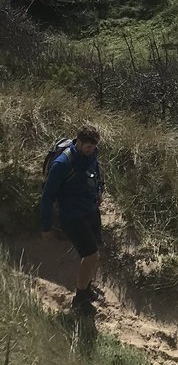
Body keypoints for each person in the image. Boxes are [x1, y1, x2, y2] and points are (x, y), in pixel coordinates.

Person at [40, 125, 104, 315]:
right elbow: (47, 197)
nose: (91, 151)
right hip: (71, 215)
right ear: (79, 143)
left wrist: (99, 191)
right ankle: (80, 299)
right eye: (87, 147)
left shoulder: (92, 154)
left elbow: (96, 171)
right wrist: (46, 227)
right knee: (91, 255)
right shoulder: (62, 164)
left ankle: (86, 288)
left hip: (90, 210)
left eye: (93, 147)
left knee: (94, 253)